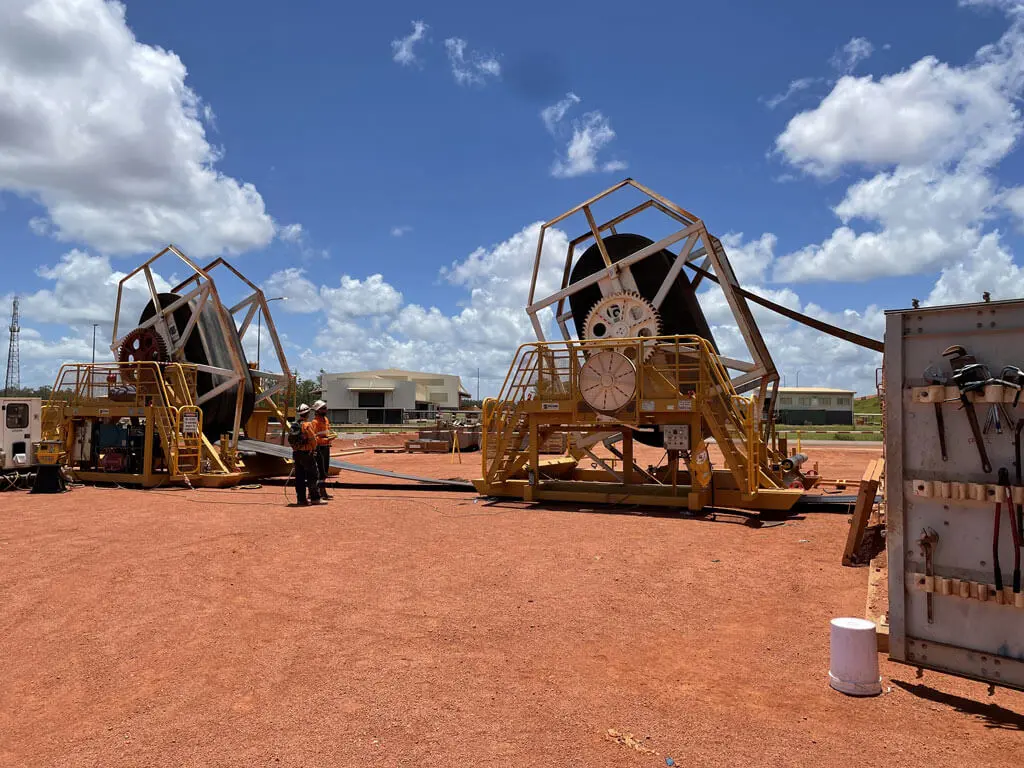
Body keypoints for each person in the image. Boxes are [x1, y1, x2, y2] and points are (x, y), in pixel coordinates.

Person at [289, 403, 321, 506]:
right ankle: (315, 498)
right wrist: (314, 449)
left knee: (299, 477)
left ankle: (301, 500)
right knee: (312, 476)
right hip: (307, 453)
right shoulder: (307, 425)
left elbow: (290, 440)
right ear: (307, 413)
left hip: (296, 454)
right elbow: (313, 440)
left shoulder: (294, 425)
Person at [312, 399, 333, 500]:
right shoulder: (314, 422)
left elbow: (326, 432)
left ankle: (322, 491)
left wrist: (331, 436)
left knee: (325, 470)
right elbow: (314, 438)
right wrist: (325, 440)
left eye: (325, 408)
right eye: (323, 408)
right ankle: (316, 491)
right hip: (319, 448)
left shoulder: (326, 420)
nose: (326, 409)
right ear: (318, 410)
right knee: (318, 471)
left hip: (326, 448)